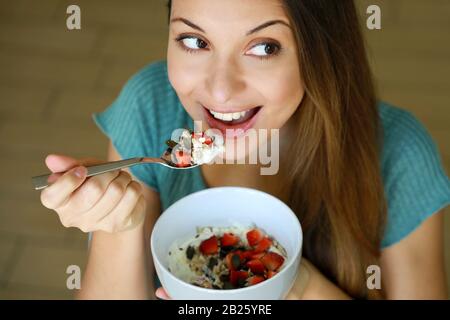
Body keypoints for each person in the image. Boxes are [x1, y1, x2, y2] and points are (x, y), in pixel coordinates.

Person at [40, 0, 450, 299]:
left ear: (320, 53)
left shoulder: (399, 154)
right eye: (194, 40)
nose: (220, 90)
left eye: (264, 48)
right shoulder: (150, 106)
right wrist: (122, 226)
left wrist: (296, 286)